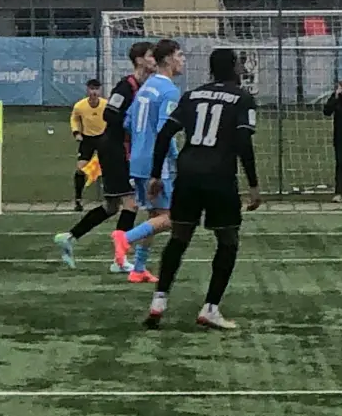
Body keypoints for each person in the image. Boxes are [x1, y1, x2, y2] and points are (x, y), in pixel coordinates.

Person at [144, 48, 262, 331]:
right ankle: (210, 308)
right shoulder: (242, 98)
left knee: (179, 237)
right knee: (228, 240)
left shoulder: (192, 95)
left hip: (188, 174)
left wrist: (155, 175)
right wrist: (254, 185)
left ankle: (159, 301)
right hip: (219, 176)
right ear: (234, 68)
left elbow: (164, 135)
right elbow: (244, 143)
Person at [54, 42, 155, 271]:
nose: (154, 60)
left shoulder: (143, 86)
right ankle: (119, 260)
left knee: (111, 206)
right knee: (131, 203)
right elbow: (110, 113)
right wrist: (131, 125)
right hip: (115, 149)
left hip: (118, 148)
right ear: (139, 60)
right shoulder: (126, 86)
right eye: (150, 56)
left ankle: (69, 237)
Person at [113, 39, 185, 282]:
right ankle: (125, 238)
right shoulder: (169, 91)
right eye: (180, 55)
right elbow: (166, 130)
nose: (182, 60)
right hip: (158, 161)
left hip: (138, 159)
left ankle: (138, 268)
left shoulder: (145, 86)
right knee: (171, 217)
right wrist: (176, 158)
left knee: (154, 214)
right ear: (168, 60)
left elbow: (128, 123)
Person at [69, 79, 107, 211]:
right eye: (91, 89)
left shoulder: (105, 105)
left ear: (100, 90)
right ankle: (78, 200)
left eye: (96, 89)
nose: (94, 92)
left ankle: (111, 197)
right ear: (87, 90)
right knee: (80, 169)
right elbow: (74, 119)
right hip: (87, 139)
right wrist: (76, 133)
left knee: (108, 167)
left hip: (103, 138)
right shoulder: (80, 106)